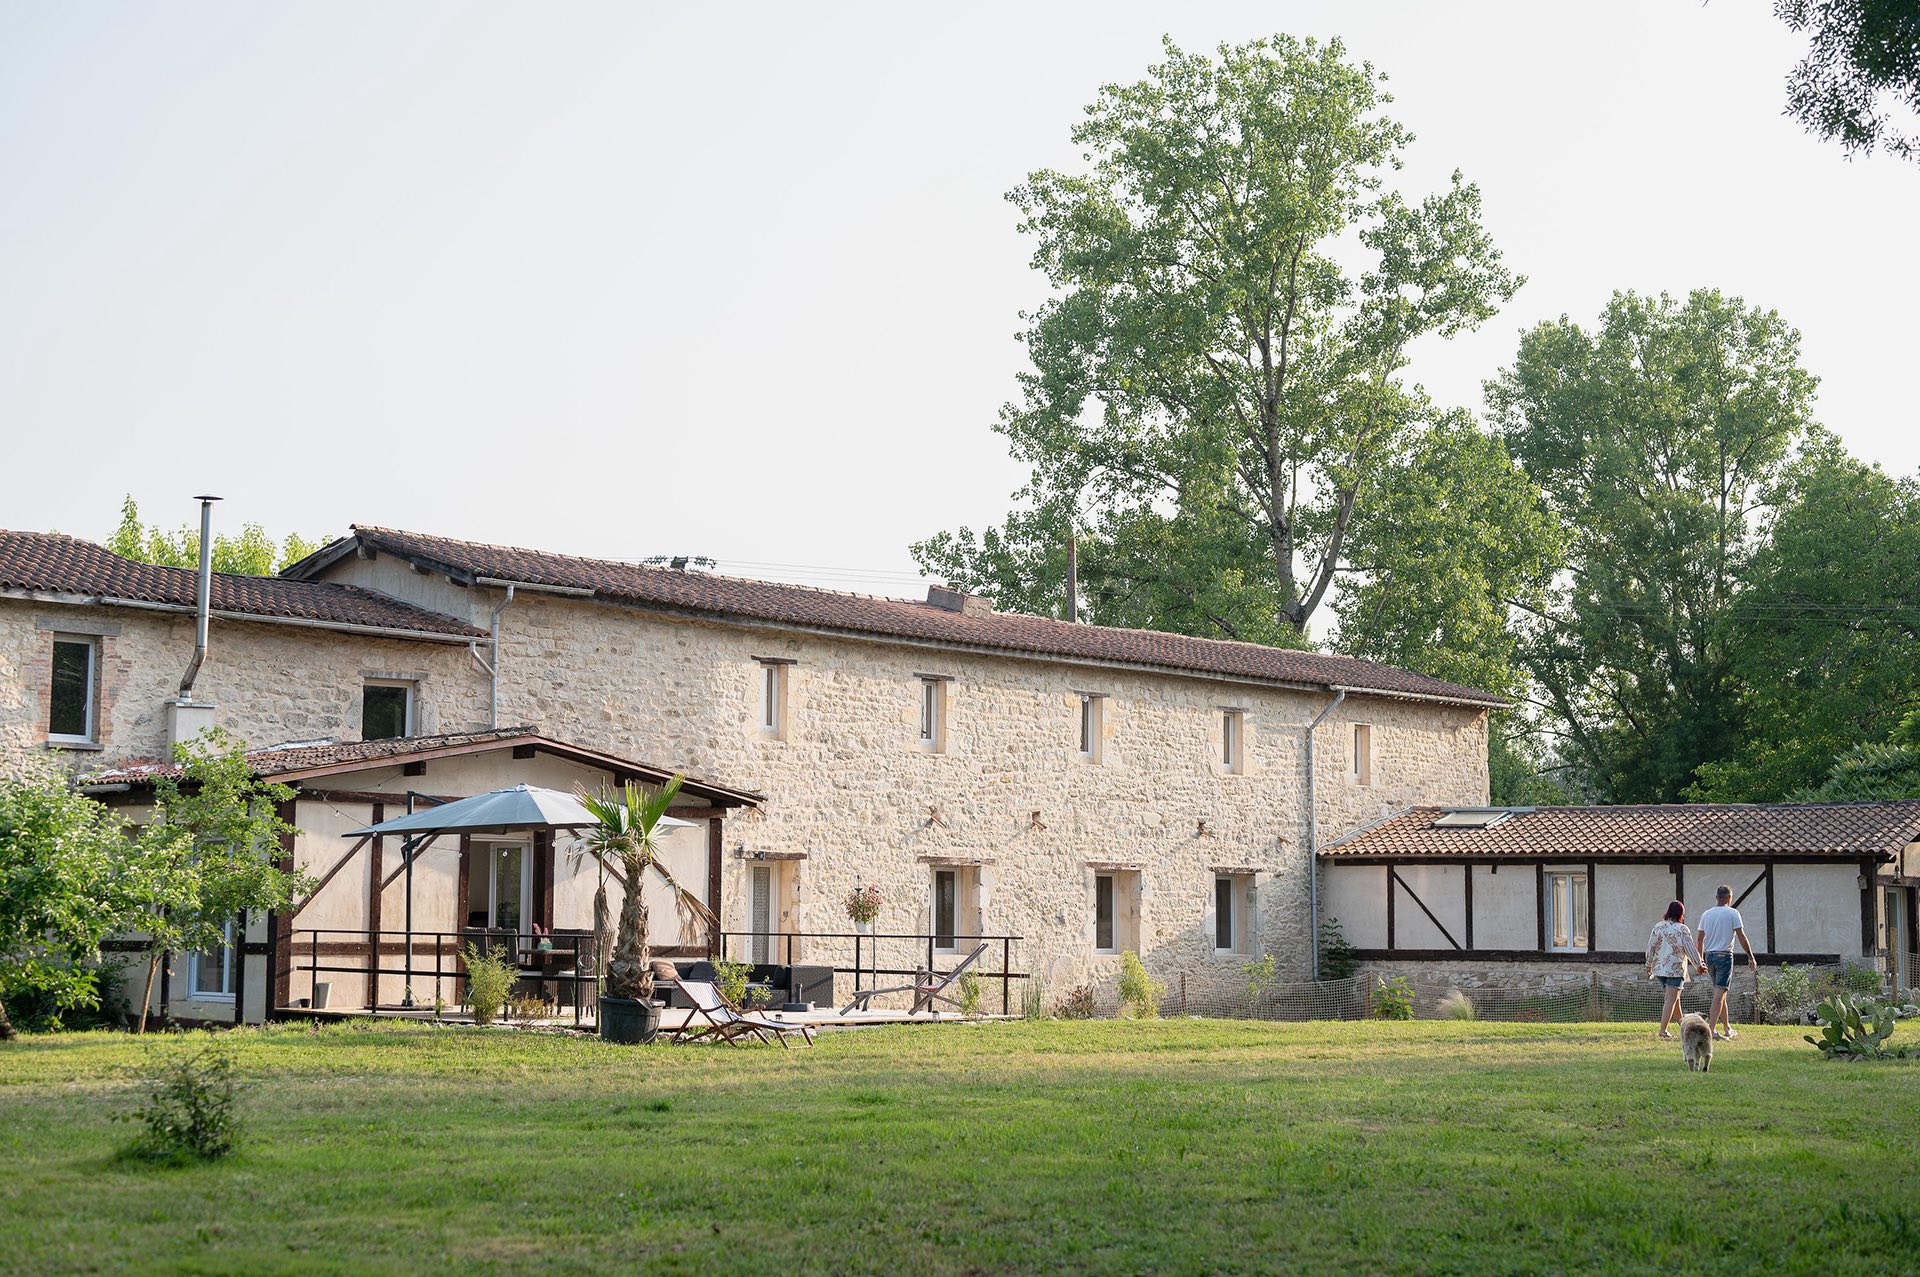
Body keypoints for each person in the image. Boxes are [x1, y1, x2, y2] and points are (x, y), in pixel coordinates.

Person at [1696, 884, 1759, 1040]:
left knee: (1720, 992)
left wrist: (1699, 960)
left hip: (1709, 956)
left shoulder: (1706, 914)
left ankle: (1726, 1027)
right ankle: (1710, 1030)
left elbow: (1699, 939)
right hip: (1724, 956)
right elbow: (1741, 936)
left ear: (1716, 897)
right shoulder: (1733, 913)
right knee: (1719, 994)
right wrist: (1750, 956)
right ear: (1729, 898)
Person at [1646, 900, 1705, 1039]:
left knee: (1674, 999)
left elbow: (1651, 946)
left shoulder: (1658, 927)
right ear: (1681, 913)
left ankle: (1684, 1027)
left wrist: (1648, 964)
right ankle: (1663, 1031)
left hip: (1660, 969)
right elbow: (1690, 949)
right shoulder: (1682, 929)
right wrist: (1699, 965)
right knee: (1671, 999)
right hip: (1675, 968)